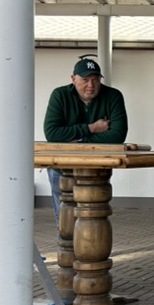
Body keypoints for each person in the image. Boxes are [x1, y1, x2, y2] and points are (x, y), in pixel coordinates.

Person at [43, 56, 128, 219]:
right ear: (73, 79)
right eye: (85, 80)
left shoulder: (113, 96)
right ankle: (65, 236)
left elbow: (117, 136)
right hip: (61, 164)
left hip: (98, 165)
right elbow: (52, 133)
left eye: (95, 80)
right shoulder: (59, 95)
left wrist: (77, 141)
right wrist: (93, 128)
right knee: (64, 211)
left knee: (94, 211)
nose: (91, 85)